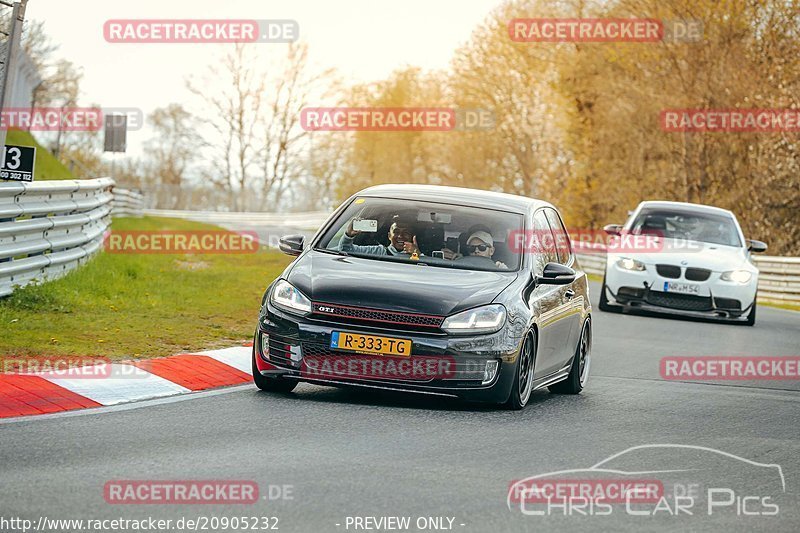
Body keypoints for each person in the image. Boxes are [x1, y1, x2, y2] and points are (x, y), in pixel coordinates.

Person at [337, 215, 421, 256]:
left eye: (406, 233)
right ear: (389, 236)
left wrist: (417, 254)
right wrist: (348, 235)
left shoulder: (418, 256)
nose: (400, 236)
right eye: (396, 231)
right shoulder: (377, 251)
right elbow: (344, 249)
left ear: (413, 237)